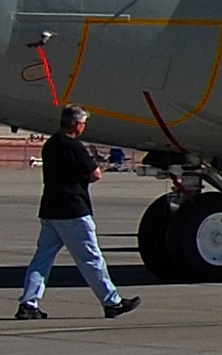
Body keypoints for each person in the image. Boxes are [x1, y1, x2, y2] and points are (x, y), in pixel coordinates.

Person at [18, 107, 140, 321]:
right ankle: (112, 302)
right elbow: (95, 174)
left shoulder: (52, 143)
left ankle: (29, 302)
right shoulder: (74, 146)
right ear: (77, 125)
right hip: (73, 210)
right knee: (91, 258)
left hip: (50, 209)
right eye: (83, 123)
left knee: (42, 258)